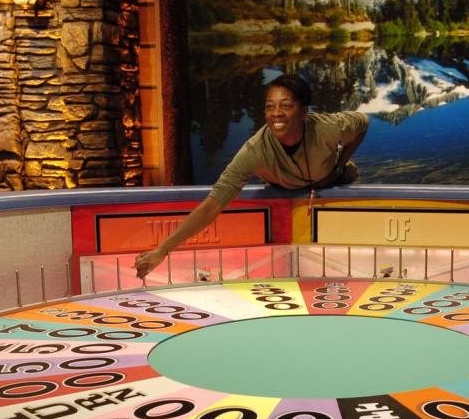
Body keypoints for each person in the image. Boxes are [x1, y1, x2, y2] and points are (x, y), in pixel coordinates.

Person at [134, 73, 369, 279]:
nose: (276, 113)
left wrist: (337, 166)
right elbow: (212, 205)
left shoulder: (328, 128)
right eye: (269, 106)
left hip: (334, 178)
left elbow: (363, 123)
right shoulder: (255, 150)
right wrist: (163, 250)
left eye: (286, 106)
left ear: (304, 112)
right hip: (287, 188)